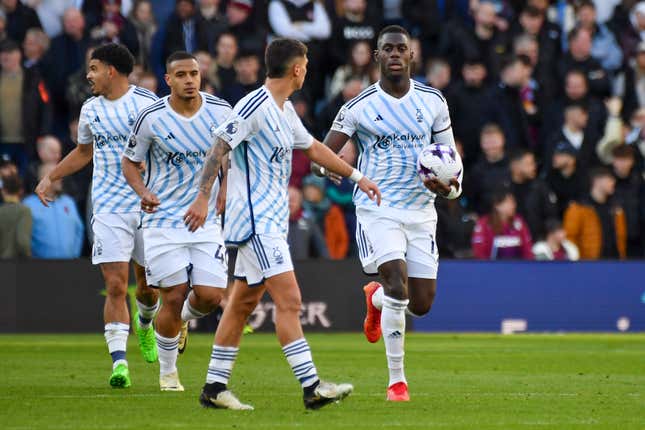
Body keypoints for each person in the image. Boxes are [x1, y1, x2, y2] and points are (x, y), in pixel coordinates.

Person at [185, 37, 380, 410]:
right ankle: (311, 386)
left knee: (241, 304)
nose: (306, 70)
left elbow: (313, 148)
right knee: (290, 300)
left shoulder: (284, 110)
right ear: (296, 68)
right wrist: (203, 196)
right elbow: (218, 148)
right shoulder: (253, 106)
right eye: (305, 64)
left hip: (270, 221)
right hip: (257, 223)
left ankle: (213, 387)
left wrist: (356, 176)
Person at [321, 25, 463, 401]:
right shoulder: (358, 106)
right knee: (397, 282)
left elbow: (451, 162)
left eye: (402, 48)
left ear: (412, 55)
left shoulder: (433, 101)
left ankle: (377, 300)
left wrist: (451, 186)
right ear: (377, 55)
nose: (396, 54)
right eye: (389, 49)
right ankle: (397, 382)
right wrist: (333, 167)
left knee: (421, 304)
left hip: (421, 212)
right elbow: (323, 154)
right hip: (378, 210)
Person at [34, 43, 160, 388]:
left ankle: (146, 323)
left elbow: (166, 146)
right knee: (116, 285)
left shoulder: (148, 104)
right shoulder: (90, 109)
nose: (88, 76)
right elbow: (83, 152)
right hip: (108, 206)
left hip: (146, 204)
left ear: (111, 71)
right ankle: (120, 365)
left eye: (93, 69)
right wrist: (52, 176)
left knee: (148, 288)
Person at [122, 51, 232, 391]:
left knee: (211, 296)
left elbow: (230, 155)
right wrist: (142, 190)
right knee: (172, 295)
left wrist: (226, 188)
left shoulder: (221, 111)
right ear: (168, 79)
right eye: (181, 75)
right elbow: (129, 162)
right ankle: (168, 374)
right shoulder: (151, 118)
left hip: (206, 220)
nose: (189, 80)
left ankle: (182, 320)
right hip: (163, 220)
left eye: (194, 74)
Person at [563, 167, 627, 259]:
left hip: (615, 263)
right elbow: (570, 238)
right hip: (589, 264)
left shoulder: (616, 208)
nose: (613, 182)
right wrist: (576, 261)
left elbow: (621, 239)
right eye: (609, 179)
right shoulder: (578, 208)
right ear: (597, 181)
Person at [24, 163, 84, 258]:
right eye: (57, 176)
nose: (61, 179)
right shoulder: (29, 204)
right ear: (43, 179)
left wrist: (74, 255)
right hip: (38, 267)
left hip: (70, 266)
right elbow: (24, 237)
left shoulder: (69, 202)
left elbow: (79, 230)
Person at [472, 189, 534, 260]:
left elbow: (528, 251)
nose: (513, 205)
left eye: (513, 202)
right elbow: (479, 253)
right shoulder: (483, 224)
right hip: (490, 268)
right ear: (497, 205)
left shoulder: (519, 223)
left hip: (517, 268)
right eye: (508, 202)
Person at [0, 172, 31, 258]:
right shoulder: (24, 211)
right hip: (17, 264)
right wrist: (29, 257)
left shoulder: (1, 211)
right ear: (21, 190)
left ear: (3, 191)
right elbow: (22, 241)